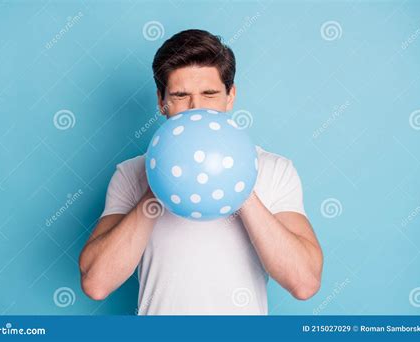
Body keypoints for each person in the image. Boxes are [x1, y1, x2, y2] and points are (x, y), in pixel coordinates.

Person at [79, 29, 323, 315]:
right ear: (161, 102)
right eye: (181, 96)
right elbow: (96, 284)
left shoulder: (274, 169)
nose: (196, 109)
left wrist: (239, 185)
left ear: (230, 96)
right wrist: (158, 186)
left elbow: (304, 283)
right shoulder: (132, 173)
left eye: (209, 94)